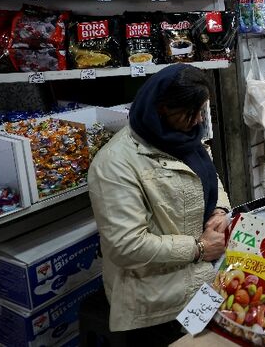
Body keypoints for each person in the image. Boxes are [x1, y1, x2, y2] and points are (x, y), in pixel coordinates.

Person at [88, 64, 231, 345]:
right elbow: (126, 246)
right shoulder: (115, 163)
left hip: (203, 277)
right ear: (162, 109)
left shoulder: (185, 137)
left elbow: (210, 177)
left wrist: (220, 210)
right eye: (191, 113)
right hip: (156, 297)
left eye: (202, 110)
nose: (198, 120)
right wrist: (199, 248)